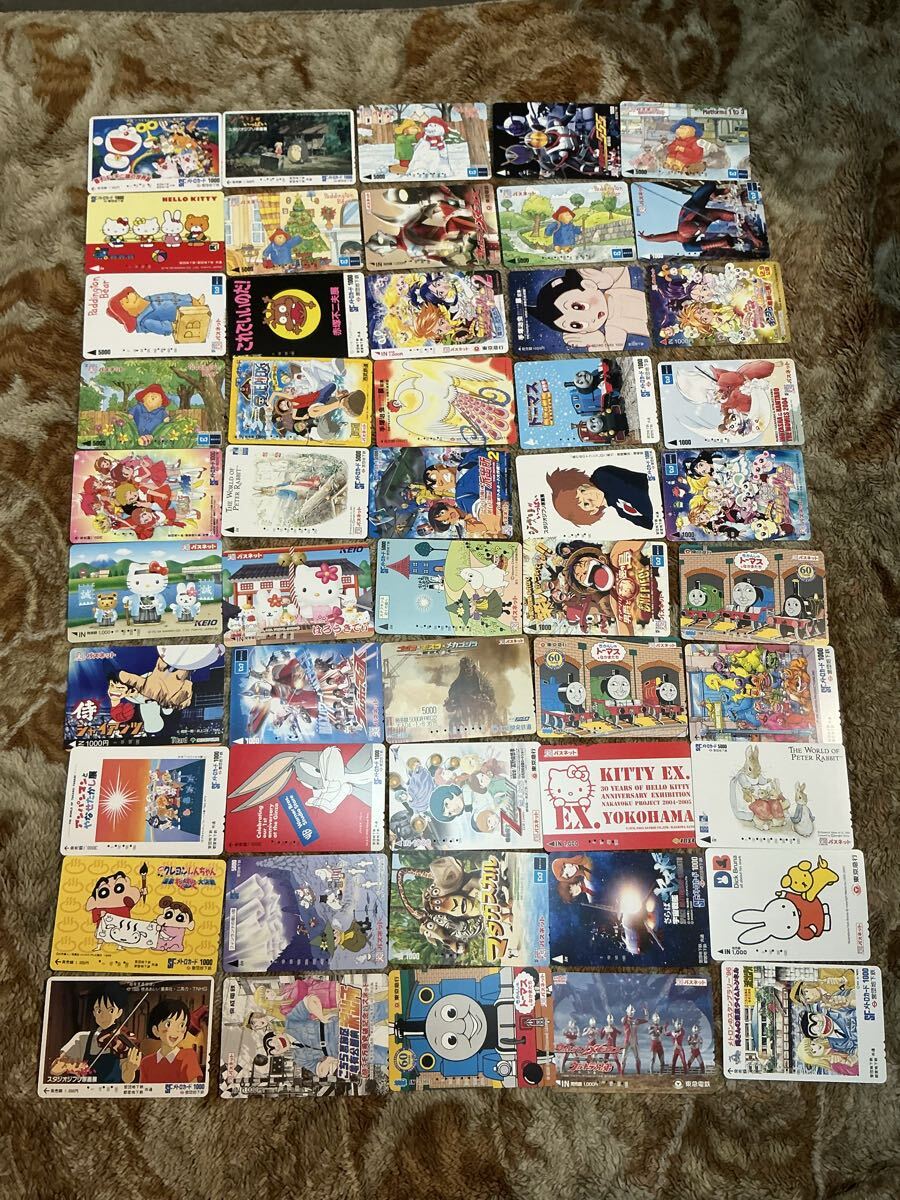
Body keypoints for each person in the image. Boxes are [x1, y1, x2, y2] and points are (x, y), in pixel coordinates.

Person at [546, 464, 656, 530]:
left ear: (584, 485)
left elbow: (643, 488)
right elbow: (650, 524)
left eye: (583, 491)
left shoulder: (602, 477)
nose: (589, 497)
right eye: (585, 504)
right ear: (593, 511)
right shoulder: (621, 511)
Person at [125, 999, 203, 1084]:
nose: (176, 1030)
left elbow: (193, 1088)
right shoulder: (146, 1062)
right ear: (155, 1030)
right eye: (168, 1024)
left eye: (181, 1025)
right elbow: (144, 1089)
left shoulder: (188, 1056)